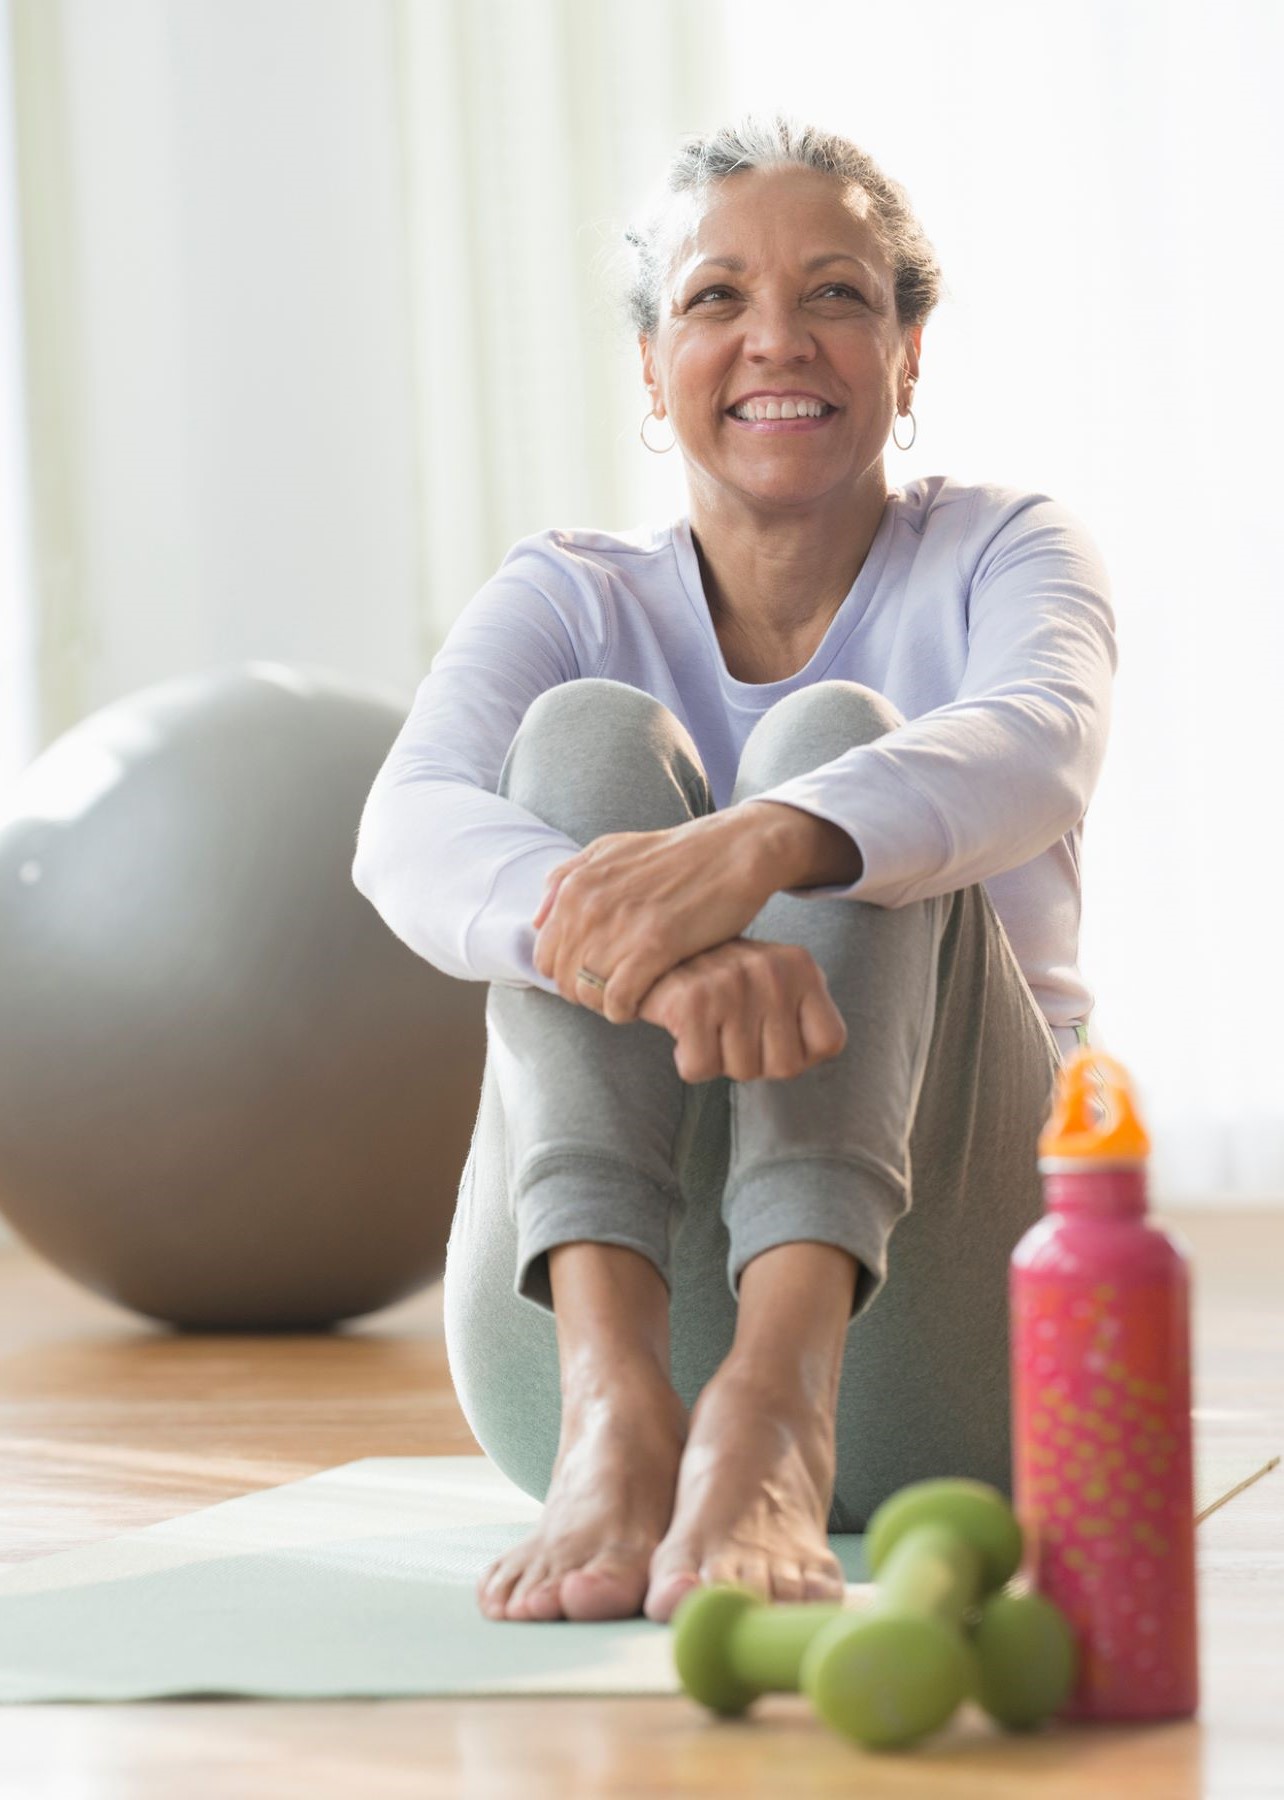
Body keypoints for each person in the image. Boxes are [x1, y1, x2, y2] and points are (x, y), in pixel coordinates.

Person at [351, 112, 1116, 1629]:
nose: (780, 338)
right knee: (576, 745)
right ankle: (619, 1413)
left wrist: (763, 845)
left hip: (948, 1329)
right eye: (716, 298)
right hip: (570, 1334)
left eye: (837, 295)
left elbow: (1041, 740)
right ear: (652, 366)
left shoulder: (1006, 550)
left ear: (908, 352)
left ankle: (776, 1411)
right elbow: (407, 830)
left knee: (841, 742)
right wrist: (676, 938)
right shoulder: (567, 593)